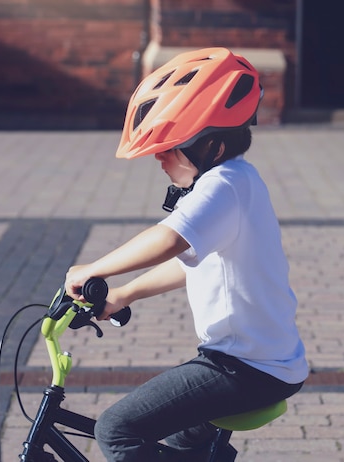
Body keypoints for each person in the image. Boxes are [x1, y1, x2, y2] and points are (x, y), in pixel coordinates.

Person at [64, 47, 309, 461]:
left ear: (210, 144)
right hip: (262, 364)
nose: (160, 158)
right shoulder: (238, 181)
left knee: (117, 430)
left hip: (244, 369)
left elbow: (169, 240)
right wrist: (124, 294)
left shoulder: (224, 185)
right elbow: (190, 265)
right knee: (179, 449)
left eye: (170, 147)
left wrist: (93, 267)